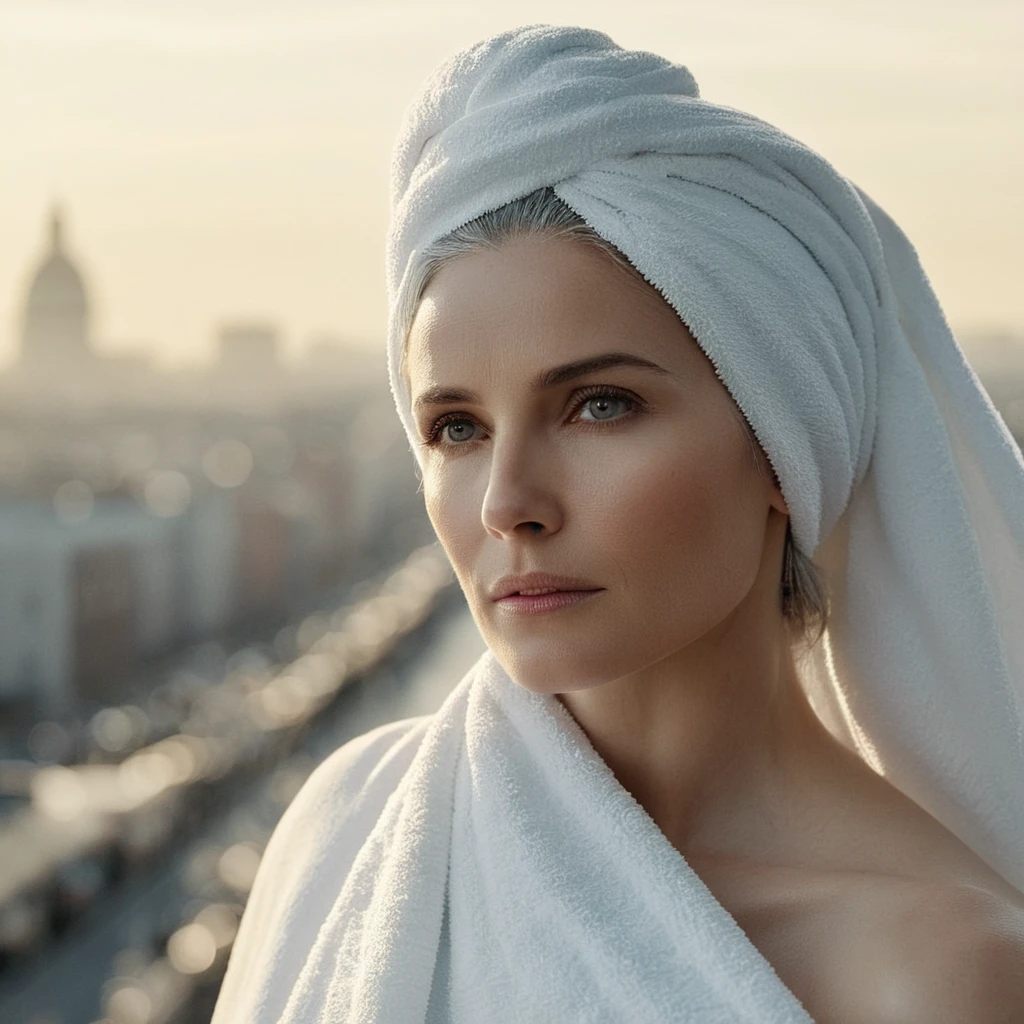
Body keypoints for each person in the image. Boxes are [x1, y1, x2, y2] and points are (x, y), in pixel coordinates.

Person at [211, 25, 1024, 1024]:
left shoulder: (940, 973)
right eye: (456, 428)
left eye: (599, 405)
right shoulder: (348, 828)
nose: (509, 500)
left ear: (781, 441)